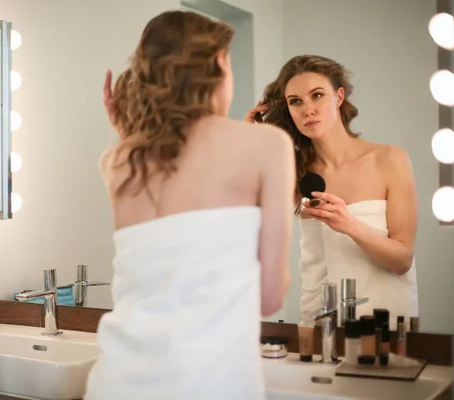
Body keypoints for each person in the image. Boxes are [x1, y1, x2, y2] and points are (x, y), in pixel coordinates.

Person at [83, 10, 293, 400]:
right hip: (209, 383)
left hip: (117, 382)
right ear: (217, 64)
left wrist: (125, 133)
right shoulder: (267, 145)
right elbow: (270, 297)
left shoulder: (116, 161)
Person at [245, 55, 419, 329]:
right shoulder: (294, 172)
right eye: (295, 101)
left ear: (338, 97)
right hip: (317, 325)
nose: (308, 110)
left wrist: (349, 225)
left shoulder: (389, 159)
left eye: (317, 95)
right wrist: (252, 142)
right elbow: (241, 217)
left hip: (383, 325)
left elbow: (402, 261)